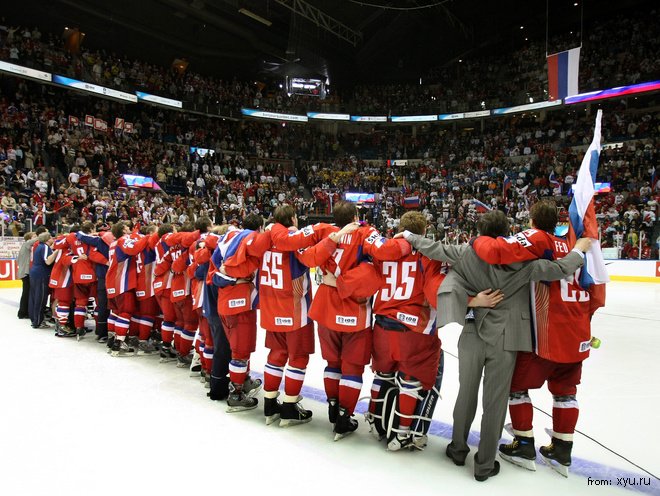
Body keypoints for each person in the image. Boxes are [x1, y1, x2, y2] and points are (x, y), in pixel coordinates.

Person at [399, 210, 591, 481]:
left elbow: (435, 248)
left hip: (473, 333)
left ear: (479, 231)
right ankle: (484, 465)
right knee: (496, 403)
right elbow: (561, 268)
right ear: (507, 231)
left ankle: (457, 449)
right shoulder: (525, 260)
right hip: (507, 337)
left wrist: (408, 235)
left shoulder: (466, 252)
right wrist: (580, 250)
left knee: (466, 394)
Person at [471, 200, 597, 476]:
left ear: (532, 221)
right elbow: (598, 293)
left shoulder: (538, 237)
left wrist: (478, 239)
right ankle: (562, 450)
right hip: (578, 332)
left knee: (516, 386)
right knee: (566, 391)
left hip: (546, 332)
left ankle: (524, 444)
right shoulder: (580, 245)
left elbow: (497, 251)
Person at [29, 231, 57, 329]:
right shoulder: (45, 247)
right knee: (40, 299)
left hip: (35, 273)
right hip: (41, 274)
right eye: (51, 237)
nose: (53, 239)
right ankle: (38, 321)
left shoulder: (40, 246)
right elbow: (48, 261)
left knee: (35, 297)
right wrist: (57, 251)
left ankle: (35, 319)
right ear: (47, 239)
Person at [17, 231, 37, 319]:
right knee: (26, 292)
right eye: (34, 236)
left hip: (24, 271)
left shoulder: (26, 246)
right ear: (29, 238)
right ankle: (23, 312)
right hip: (26, 272)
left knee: (27, 292)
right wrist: (45, 235)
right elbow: (39, 239)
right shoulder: (27, 243)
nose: (36, 237)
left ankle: (24, 311)